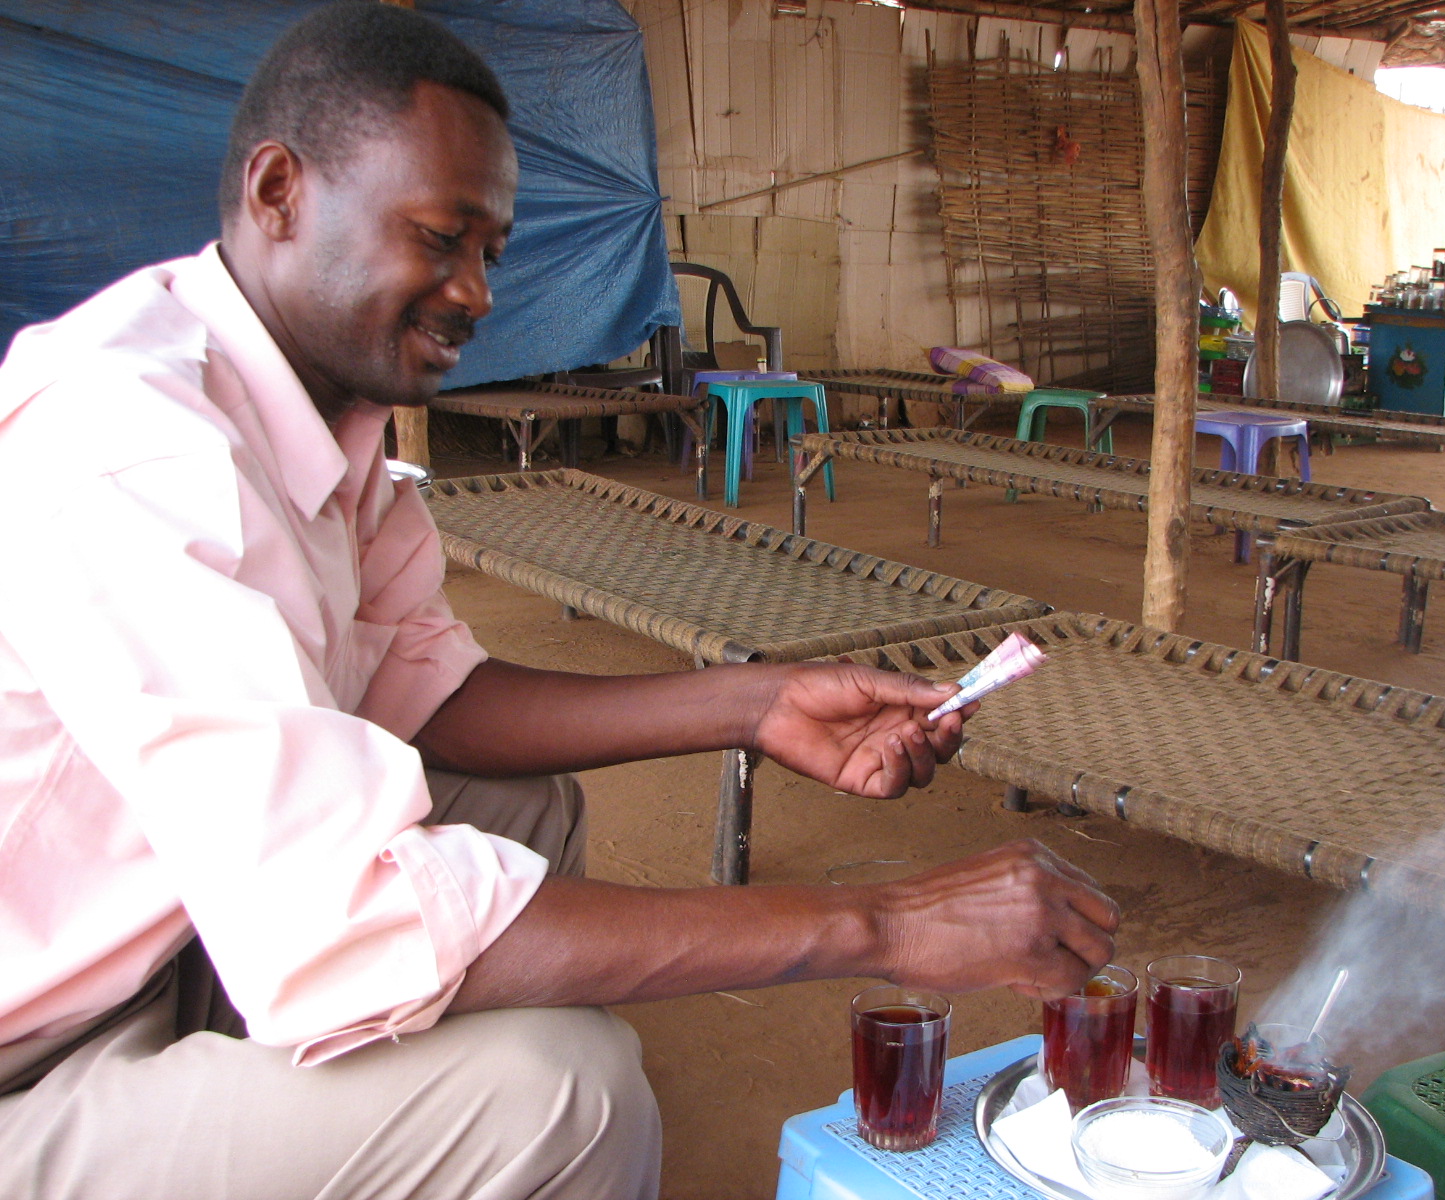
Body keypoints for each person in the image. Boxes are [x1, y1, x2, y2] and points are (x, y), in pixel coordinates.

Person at [0, 5, 1119, 1198]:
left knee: (514, 811)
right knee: (563, 1095)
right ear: (279, 190)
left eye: (491, 250)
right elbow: (343, 918)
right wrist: (884, 922)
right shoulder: (135, 443)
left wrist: (760, 703)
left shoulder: (320, 420)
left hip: (167, 938)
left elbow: (427, 692)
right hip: (37, 1053)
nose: (477, 293)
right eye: (440, 238)